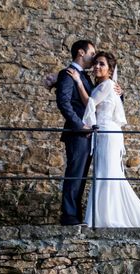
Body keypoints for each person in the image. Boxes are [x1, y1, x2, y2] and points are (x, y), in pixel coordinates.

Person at [68, 52, 140, 228]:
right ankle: (103, 216)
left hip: (108, 134)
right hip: (104, 134)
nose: (97, 67)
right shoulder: (104, 85)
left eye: (102, 64)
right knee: (104, 174)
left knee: (107, 174)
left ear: (110, 70)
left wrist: (78, 82)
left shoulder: (108, 84)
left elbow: (90, 104)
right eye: (95, 64)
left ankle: (107, 218)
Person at [55, 40, 96, 225]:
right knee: (75, 174)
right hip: (77, 133)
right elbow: (64, 103)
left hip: (87, 134)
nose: (94, 58)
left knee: (81, 175)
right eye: (92, 53)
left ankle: (75, 215)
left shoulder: (84, 76)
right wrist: (79, 126)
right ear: (81, 52)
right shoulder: (67, 74)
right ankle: (69, 215)